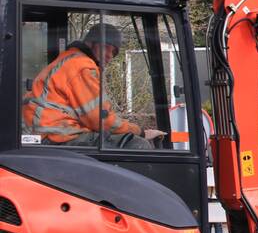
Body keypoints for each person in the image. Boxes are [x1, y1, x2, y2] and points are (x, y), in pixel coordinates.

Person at [22, 23, 164, 150]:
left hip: (45, 132)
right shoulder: (82, 67)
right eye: (106, 48)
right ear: (91, 43)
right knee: (137, 145)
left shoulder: (70, 59)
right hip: (52, 136)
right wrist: (141, 132)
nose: (109, 56)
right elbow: (101, 121)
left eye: (114, 52)